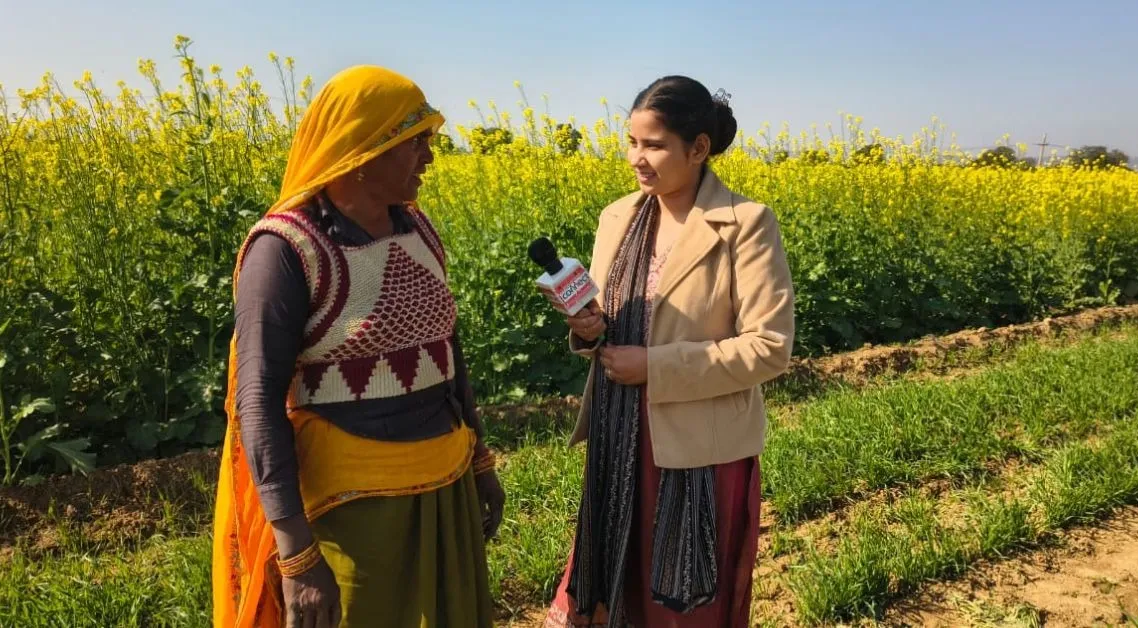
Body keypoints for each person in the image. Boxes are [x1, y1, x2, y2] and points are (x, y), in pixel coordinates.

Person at [211, 65, 505, 628]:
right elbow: (258, 403)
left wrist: (479, 461)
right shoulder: (286, 250)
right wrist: (297, 554)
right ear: (364, 150)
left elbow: (447, 352)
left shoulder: (418, 230)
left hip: (445, 484)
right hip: (350, 511)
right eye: (414, 142)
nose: (429, 157)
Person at [543, 76, 796, 627]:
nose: (637, 158)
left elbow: (770, 347)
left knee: (680, 605)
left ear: (698, 147)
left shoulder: (745, 224)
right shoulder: (617, 218)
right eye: (631, 142)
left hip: (697, 449)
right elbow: (613, 324)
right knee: (615, 585)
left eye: (654, 145)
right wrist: (588, 329)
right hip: (618, 438)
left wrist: (654, 368)